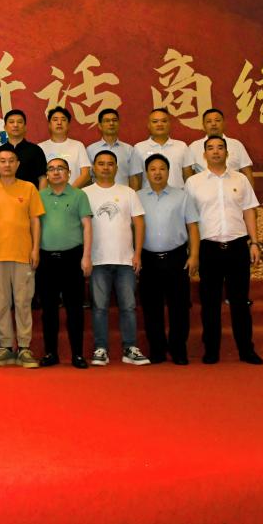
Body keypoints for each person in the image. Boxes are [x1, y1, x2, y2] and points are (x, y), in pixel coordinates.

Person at [185, 136, 263, 365]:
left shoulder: (240, 179)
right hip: (209, 248)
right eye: (210, 148)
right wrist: (193, 251)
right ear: (204, 155)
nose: (216, 151)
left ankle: (246, 350)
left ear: (227, 153)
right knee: (210, 303)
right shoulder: (194, 182)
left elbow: (249, 211)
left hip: (237, 246)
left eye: (220, 148)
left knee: (240, 302)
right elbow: (190, 220)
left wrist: (254, 242)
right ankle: (211, 350)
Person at [85, 151, 149, 366]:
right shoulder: (85, 193)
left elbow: (139, 223)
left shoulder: (128, 192)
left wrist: (137, 253)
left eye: (110, 164)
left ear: (116, 168)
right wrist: (86, 256)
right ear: (94, 168)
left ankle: (130, 348)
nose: (105, 167)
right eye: (101, 164)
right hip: (97, 260)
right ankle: (101, 348)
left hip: (125, 260)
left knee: (128, 306)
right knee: (99, 307)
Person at [0, 144, 44, 368]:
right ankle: (6, 347)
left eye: (11, 161)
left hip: (23, 254)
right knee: (1, 303)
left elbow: (35, 220)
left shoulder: (29, 188)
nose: (7, 165)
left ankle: (25, 348)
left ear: (18, 164)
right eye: (2, 161)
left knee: (23, 302)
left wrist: (35, 249)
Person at [138, 154, 200, 365]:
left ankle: (178, 349)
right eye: (153, 169)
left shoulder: (181, 196)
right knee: (151, 307)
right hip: (148, 259)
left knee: (179, 307)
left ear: (168, 171)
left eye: (162, 168)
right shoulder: (137, 197)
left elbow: (193, 227)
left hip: (176, 257)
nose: (157, 173)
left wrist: (194, 255)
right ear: (147, 173)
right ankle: (157, 349)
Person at [37, 158, 93, 368]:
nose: (55, 172)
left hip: (72, 258)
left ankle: (77, 354)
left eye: (60, 168)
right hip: (46, 259)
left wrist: (86, 256)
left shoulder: (79, 195)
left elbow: (87, 226)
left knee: (74, 308)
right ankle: (51, 353)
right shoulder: (40, 196)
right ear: (47, 174)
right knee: (48, 309)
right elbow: (34, 226)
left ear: (69, 173)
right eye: (51, 169)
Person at [187, 108, 254, 189]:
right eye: (209, 121)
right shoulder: (194, 147)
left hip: (233, 192)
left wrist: (250, 195)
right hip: (205, 193)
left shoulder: (236, 145)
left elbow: (247, 174)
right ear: (203, 125)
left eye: (217, 120)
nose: (213, 124)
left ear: (224, 123)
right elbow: (188, 175)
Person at [132, 108, 193, 190]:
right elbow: (136, 179)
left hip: (178, 195)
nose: (159, 124)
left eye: (164, 121)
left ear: (169, 124)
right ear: (149, 125)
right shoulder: (139, 148)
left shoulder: (182, 146)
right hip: (149, 196)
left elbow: (188, 178)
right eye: (155, 121)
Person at [87, 108, 142, 188]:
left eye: (114, 120)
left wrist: (133, 194)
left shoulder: (129, 149)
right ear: (100, 126)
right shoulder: (90, 149)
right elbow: (88, 178)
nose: (111, 123)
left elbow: (134, 177)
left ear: (119, 124)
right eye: (107, 121)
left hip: (123, 194)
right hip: (98, 194)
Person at [38, 107, 91, 187]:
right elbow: (40, 177)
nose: (59, 123)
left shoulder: (78, 145)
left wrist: (70, 192)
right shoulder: (40, 147)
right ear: (49, 125)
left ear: (68, 125)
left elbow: (85, 174)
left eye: (63, 120)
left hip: (74, 193)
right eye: (55, 120)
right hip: (49, 194)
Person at [1, 109, 47, 189]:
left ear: (25, 127)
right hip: (4, 196)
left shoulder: (36, 150)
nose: (15, 125)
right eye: (11, 122)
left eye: (19, 122)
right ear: (5, 127)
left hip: (30, 195)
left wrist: (39, 197)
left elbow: (43, 178)